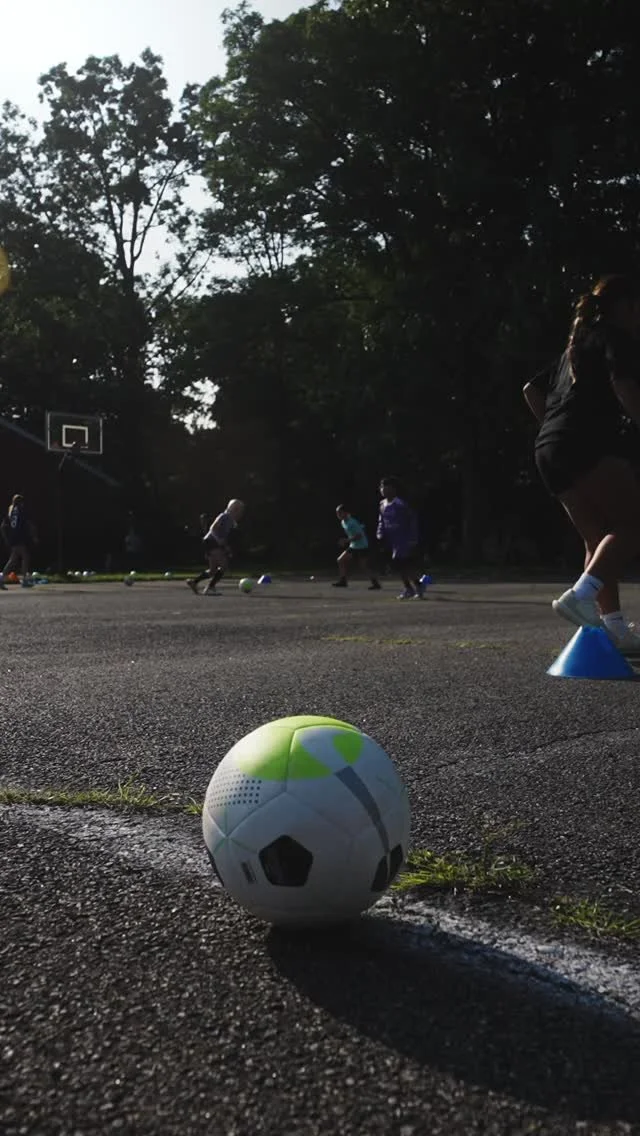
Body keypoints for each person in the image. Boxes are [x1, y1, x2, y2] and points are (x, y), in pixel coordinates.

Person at [523, 273, 640, 654]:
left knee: (598, 537)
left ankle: (614, 629)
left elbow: (531, 389)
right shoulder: (615, 337)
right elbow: (625, 387)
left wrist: (553, 426)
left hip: (548, 448)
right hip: (584, 443)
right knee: (633, 523)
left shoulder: (575, 345)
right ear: (627, 306)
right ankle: (580, 595)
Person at [376, 477, 425, 599]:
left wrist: (412, 538)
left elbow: (412, 520)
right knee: (400, 565)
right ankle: (413, 587)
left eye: (386, 487)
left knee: (402, 564)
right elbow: (382, 520)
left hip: (403, 539)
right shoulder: (382, 504)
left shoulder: (401, 504)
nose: (383, 490)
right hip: (391, 540)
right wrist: (380, 533)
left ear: (393, 489)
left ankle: (414, 587)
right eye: (381, 487)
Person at [186, 499, 245, 596]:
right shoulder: (224, 516)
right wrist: (218, 540)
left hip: (211, 542)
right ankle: (210, 587)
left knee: (212, 570)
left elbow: (223, 535)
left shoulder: (230, 521)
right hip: (211, 542)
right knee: (224, 565)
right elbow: (212, 528)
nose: (240, 514)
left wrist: (226, 547)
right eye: (240, 511)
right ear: (233, 509)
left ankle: (194, 582)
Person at [332, 505, 381, 590]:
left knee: (363, 566)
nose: (338, 515)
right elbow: (353, 533)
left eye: (340, 513)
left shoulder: (352, 522)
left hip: (362, 546)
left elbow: (359, 535)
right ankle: (343, 581)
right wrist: (347, 541)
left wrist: (346, 540)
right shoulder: (343, 522)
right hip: (354, 546)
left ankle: (375, 583)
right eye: (337, 513)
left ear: (345, 513)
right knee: (340, 560)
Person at [1, 495, 37, 588]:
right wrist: (33, 536)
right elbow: (28, 523)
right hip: (19, 538)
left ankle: (2, 578)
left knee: (13, 560)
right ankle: (24, 580)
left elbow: (3, 526)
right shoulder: (21, 510)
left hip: (13, 538)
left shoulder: (11, 510)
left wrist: (6, 538)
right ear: (21, 502)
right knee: (25, 557)